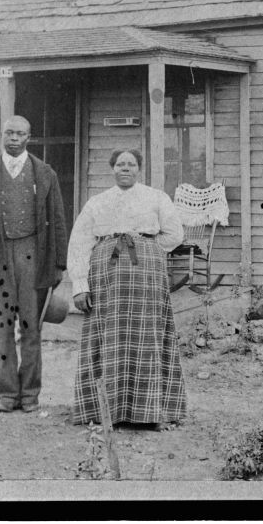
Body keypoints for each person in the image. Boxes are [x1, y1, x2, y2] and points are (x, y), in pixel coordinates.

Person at [68, 149, 186, 428]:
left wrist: (147, 248)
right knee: (107, 336)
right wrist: (80, 285)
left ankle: (151, 412)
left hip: (146, 276)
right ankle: (103, 412)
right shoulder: (98, 202)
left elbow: (175, 234)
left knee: (148, 336)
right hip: (106, 276)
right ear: (112, 169)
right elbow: (80, 242)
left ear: (139, 169)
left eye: (131, 164)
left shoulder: (156, 198)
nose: (125, 169)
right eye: (120, 164)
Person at [0, 115, 69, 413]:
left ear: (28, 138)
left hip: (32, 256)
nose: (13, 138)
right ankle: (7, 393)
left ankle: (30, 394)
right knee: (3, 327)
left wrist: (59, 264)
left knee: (31, 327)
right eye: (8, 133)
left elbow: (58, 221)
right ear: (2, 135)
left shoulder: (45, 174)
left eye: (20, 134)